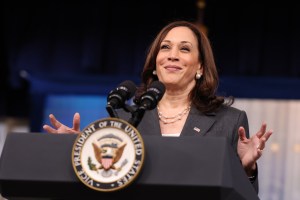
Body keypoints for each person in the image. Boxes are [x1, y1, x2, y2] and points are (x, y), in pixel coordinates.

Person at [43, 20, 273, 193]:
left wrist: (246, 169)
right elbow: (105, 180)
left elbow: (247, 195)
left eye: (184, 49)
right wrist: (79, 152)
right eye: (165, 48)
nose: (172, 56)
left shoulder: (229, 121)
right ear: (155, 63)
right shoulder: (125, 118)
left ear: (200, 66)